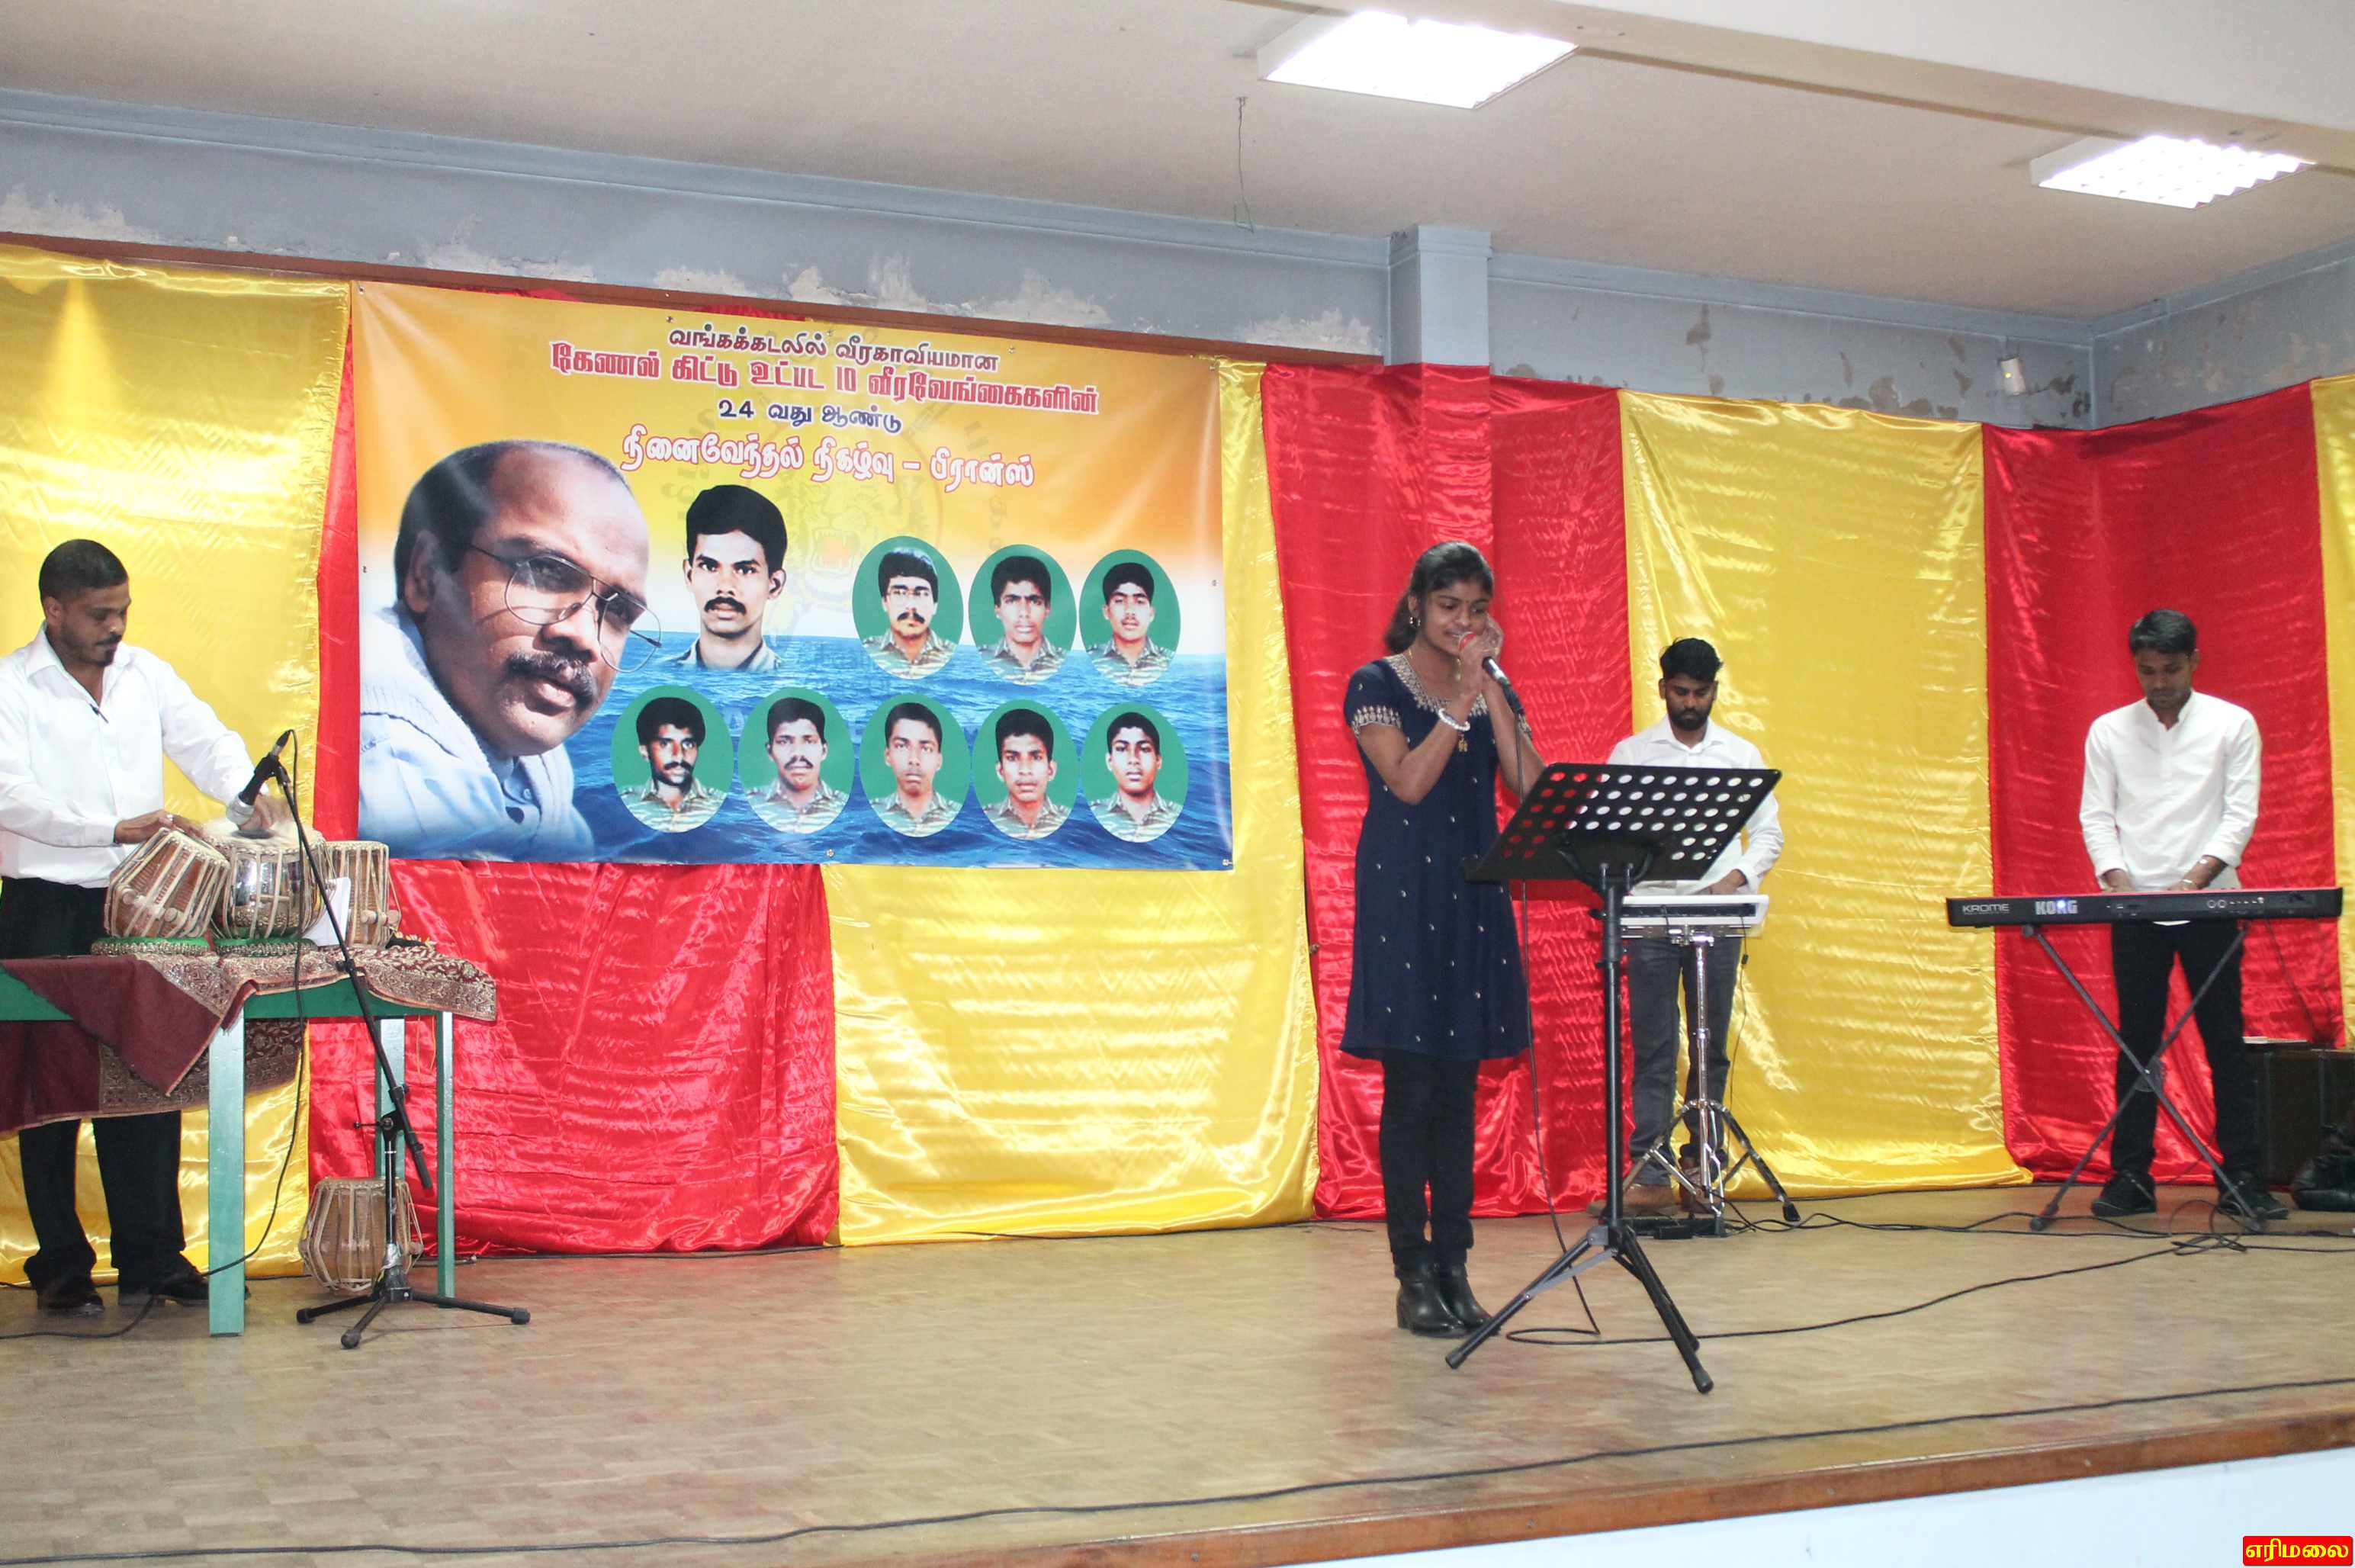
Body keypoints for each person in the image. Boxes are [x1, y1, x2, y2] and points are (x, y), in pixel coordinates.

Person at [0, 540, 275, 1314]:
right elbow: (9, 794)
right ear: (54, 609)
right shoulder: (10, 686)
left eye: (123, 611)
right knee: (49, 1085)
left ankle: (152, 1256)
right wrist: (111, 828)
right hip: (45, 904)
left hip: (145, 906)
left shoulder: (144, 674)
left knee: (149, 1071)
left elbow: (206, 742)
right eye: (99, 614)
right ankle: (60, 1263)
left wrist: (248, 793)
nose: (116, 627)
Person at [1339, 541, 1541, 1338]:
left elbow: (1531, 787)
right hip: (1402, 899)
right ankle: (1412, 1274)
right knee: (1412, 1090)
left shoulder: (1485, 685)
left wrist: (1490, 694)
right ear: (1417, 605)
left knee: (1459, 1091)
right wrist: (1459, 698)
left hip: (1471, 897)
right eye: (1450, 606)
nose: (1464, 621)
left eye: (1477, 609)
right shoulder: (1376, 684)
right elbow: (1409, 782)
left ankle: (1455, 1267)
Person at [2080, 609, 2283, 1223]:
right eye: (2147, 671)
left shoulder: (2232, 723)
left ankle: (2241, 1176)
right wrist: (2121, 886)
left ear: (2195, 661)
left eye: (2171, 669)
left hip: (2210, 901)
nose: (2160, 683)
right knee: (2136, 1043)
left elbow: (2239, 815)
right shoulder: (2109, 731)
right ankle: (2131, 1175)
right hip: (2135, 905)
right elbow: (2097, 816)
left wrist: (2192, 883)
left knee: (2225, 1042)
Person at [361, 440, 654, 859]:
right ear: (427, 574)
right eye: (545, 572)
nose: (585, 637)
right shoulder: (391, 760)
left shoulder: (517, 747)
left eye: (620, 611)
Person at [1600, 638, 1783, 1216]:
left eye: (1701, 693)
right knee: (1655, 1047)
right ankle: (1651, 1173)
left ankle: (1704, 1169)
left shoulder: (1740, 755)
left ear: (1714, 693)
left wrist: (1730, 883)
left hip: (1718, 918)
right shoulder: (1631, 754)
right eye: (1681, 691)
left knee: (1710, 1048)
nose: (1690, 703)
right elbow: (1607, 838)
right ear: (1663, 689)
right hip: (1652, 917)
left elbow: (1769, 836)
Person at [664, 484, 786, 672]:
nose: (725, 586)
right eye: (709, 567)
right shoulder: (658, 674)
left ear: (775, 585)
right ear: (689, 575)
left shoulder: (792, 680)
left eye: (745, 570)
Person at [750, 696, 847, 835]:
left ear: (824, 750)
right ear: (770, 751)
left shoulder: (845, 806)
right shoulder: (751, 803)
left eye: (809, 741)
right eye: (784, 742)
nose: (797, 753)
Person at [624, 696, 722, 833]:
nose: (679, 755)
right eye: (665, 744)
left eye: (688, 744)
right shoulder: (626, 802)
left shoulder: (718, 802)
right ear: (645, 751)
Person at [1088, 711, 1181, 844]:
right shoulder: (1094, 812)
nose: (1133, 759)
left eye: (1144, 749)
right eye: (1121, 749)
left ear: (1158, 761)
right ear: (1109, 761)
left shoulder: (1177, 815)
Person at [861, 548, 955, 678]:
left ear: (935, 605)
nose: (911, 606)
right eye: (900, 593)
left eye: (921, 594)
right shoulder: (866, 650)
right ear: (885, 602)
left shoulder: (952, 653)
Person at [872, 702, 958, 837]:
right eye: (901, 746)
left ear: (939, 760)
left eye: (926, 749)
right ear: (888, 755)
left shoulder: (958, 815)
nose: (914, 759)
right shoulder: (872, 813)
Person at [983, 708, 1068, 840]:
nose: (1025, 770)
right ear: (1000, 771)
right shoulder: (983, 819)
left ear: (1051, 770)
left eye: (1036, 757)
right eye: (1012, 758)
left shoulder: (1070, 820)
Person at [980, 554, 1065, 685]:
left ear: (1047, 608)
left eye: (1035, 601)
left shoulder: (1064, 660)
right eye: (1012, 601)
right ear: (997, 609)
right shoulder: (982, 658)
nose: (1024, 612)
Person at [1084, 561, 1171, 689]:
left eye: (1140, 602)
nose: (1130, 611)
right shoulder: (1090, 658)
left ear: (1151, 613)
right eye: (1120, 601)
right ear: (1106, 611)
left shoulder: (1169, 661)